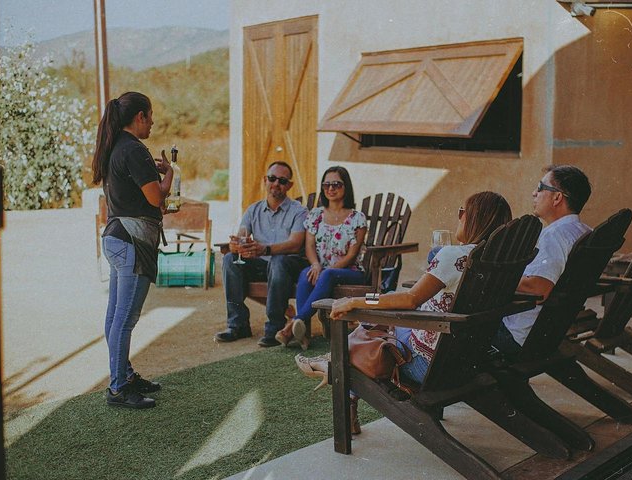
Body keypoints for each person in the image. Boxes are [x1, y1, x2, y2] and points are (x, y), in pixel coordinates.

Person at [296, 191, 513, 431]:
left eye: (463, 212)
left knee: (371, 325)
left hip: (426, 365)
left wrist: (356, 301)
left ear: (475, 220)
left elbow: (409, 299)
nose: (459, 217)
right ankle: (332, 364)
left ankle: (332, 364)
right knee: (379, 320)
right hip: (469, 359)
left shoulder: (454, 255)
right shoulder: (502, 263)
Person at [92, 91, 173, 409]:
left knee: (116, 316)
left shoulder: (114, 147)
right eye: (150, 117)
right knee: (125, 319)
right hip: (132, 243)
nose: (152, 123)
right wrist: (169, 174)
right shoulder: (135, 149)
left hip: (116, 238)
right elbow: (156, 198)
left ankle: (124, 376)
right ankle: (118, 388)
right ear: (139, 116)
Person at [492, 164, 592, 357]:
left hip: (517, 335)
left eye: (540, 188)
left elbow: (538, 289)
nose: (534, 193)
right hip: (549, 331)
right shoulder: (584, 233)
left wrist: (496, 279)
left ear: (557, 197)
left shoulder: (554, 236)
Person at [215, 162, 309, 347]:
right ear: (265, 180)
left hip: (288, 265)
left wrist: (265, 249)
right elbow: (242, 235)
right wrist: (236, 245)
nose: (276, 184)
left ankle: (274, 327)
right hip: (260, 264)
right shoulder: (253, 210)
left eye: (282, 181)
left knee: (278, 261)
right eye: (272, 178)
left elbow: (295, 244)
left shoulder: (299, 211)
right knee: (229, 259)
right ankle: (238, 325)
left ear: (289, 185)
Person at [275, 166, 367, 350]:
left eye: (336, 184)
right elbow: (309, 246)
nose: (330, 189)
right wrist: (316, 265)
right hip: (322, 270)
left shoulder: (357, 218)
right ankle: (303, 334)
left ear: (346, 187)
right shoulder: (316, 215)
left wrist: (326, 270)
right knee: (306, 273)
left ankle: (294, 323)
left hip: (351, 272)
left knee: (327, 275)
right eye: (326, 185)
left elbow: (352, 255)